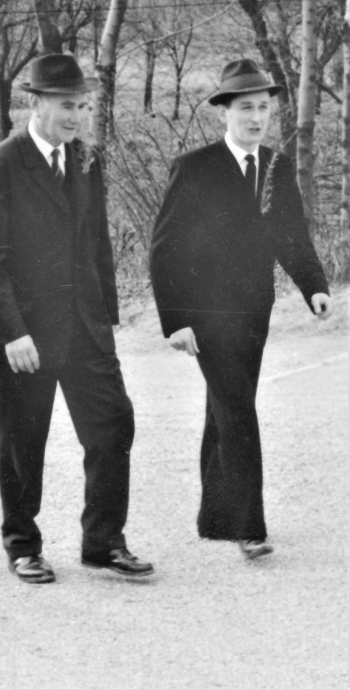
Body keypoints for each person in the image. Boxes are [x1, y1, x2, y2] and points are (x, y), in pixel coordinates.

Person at [0, 54, 154, 584]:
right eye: (68, 105)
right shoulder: (1, 166)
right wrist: (12, 333)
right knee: (23, 444)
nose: (78, 116)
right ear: (37, 103)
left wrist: (106, 317)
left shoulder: (86, 160)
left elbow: (97, 244)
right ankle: (23, 546)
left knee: (114, 424)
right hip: (24, 334)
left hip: (84, 328)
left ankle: (103, 542)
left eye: (84, 106)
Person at [149, 59, 331, 561]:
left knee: (225, 406)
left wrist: (313, 286)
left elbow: (291, 234)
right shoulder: (194, 167)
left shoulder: (276, 165)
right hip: (206, 314)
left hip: (255, 312)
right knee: (237, 410)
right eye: (246, 108)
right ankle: (249, 527)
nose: (256, 118)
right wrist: (176, 319)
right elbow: (165, 249)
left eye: (264, 108)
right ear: (223, 113)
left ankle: (215, 518)